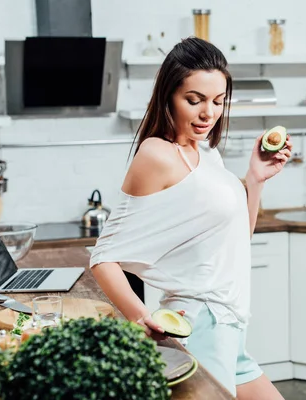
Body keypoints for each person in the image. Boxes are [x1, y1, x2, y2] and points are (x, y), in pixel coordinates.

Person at [89, 36, 291, 399]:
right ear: (169, 95)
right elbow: (103, 258)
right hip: (203, 325)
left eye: (217, 101)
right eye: (194, 100)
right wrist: (140, 315)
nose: (208, 114)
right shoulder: (157, 154)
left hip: (230, 327)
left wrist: (255, 179)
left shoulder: (206, 153)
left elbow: (235, 244)